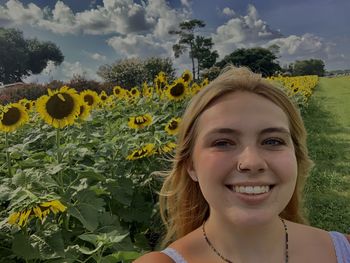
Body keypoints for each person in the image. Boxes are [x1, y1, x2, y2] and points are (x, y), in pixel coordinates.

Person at [135, 66, 350, 263]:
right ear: (191, 165)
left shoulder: (344, 251)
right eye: (223, 143)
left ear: (296, 156)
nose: (252, 162)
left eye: (273, 141)